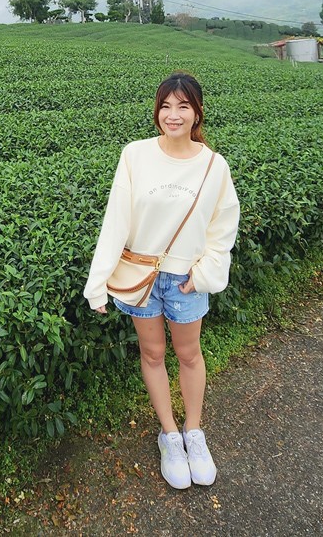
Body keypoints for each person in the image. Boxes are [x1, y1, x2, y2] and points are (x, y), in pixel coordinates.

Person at [84, 72, 240, 489]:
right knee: (152, 354)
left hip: (184, 279)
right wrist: (97, 281)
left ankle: (194, 431)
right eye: (166, 106)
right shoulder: (135, 154)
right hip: (141, 275)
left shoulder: (213, 165)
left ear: (197, 113)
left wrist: (203, 274)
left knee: (189, 354)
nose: (173, 115)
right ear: (157, 111)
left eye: (183, 106)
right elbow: (116, 220)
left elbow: (223, 226)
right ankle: (170, 435)